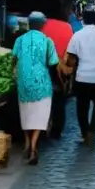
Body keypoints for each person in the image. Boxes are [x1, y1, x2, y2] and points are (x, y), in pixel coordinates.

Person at [11, 12, 59, 166]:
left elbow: (13, 59)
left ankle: (26, 141)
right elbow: (53, 62)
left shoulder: (19, 40)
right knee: (40, 115)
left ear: (29, 24)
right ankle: (33, 146)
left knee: (25, 113)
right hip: (42, 83)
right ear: (43, 25)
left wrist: (14, 71)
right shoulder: (47, 41)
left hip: (23, 81)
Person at [63, 9, 95, 150]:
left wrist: (69, 70)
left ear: (83, 20)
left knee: (82, 108)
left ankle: (85, 133)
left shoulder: (77, 36)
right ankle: (92, 130)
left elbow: (71, 59)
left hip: (82, 77)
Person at [42, 6, 75, 140]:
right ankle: (56, 130)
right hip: (60, 70)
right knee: (59, 101)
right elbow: (70, 51)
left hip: (43, 68)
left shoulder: (42, 26)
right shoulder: (67, 27)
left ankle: (42, 129)